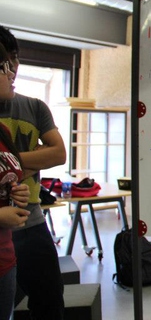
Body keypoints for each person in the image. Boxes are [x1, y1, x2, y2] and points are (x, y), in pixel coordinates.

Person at [0, 26, 66, 319]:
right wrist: (33, 159)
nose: (13, 69)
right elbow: (47, 154)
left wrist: (9, 164)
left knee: (49, 302)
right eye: (5, 63)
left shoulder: (34, 107)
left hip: (31, 220)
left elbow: (58, 153)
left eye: (15, 59)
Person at [0, 43, 31, 320]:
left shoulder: (2, 130)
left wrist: (15, 192)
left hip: (5, 258)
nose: (12, 73)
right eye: (4, 67)